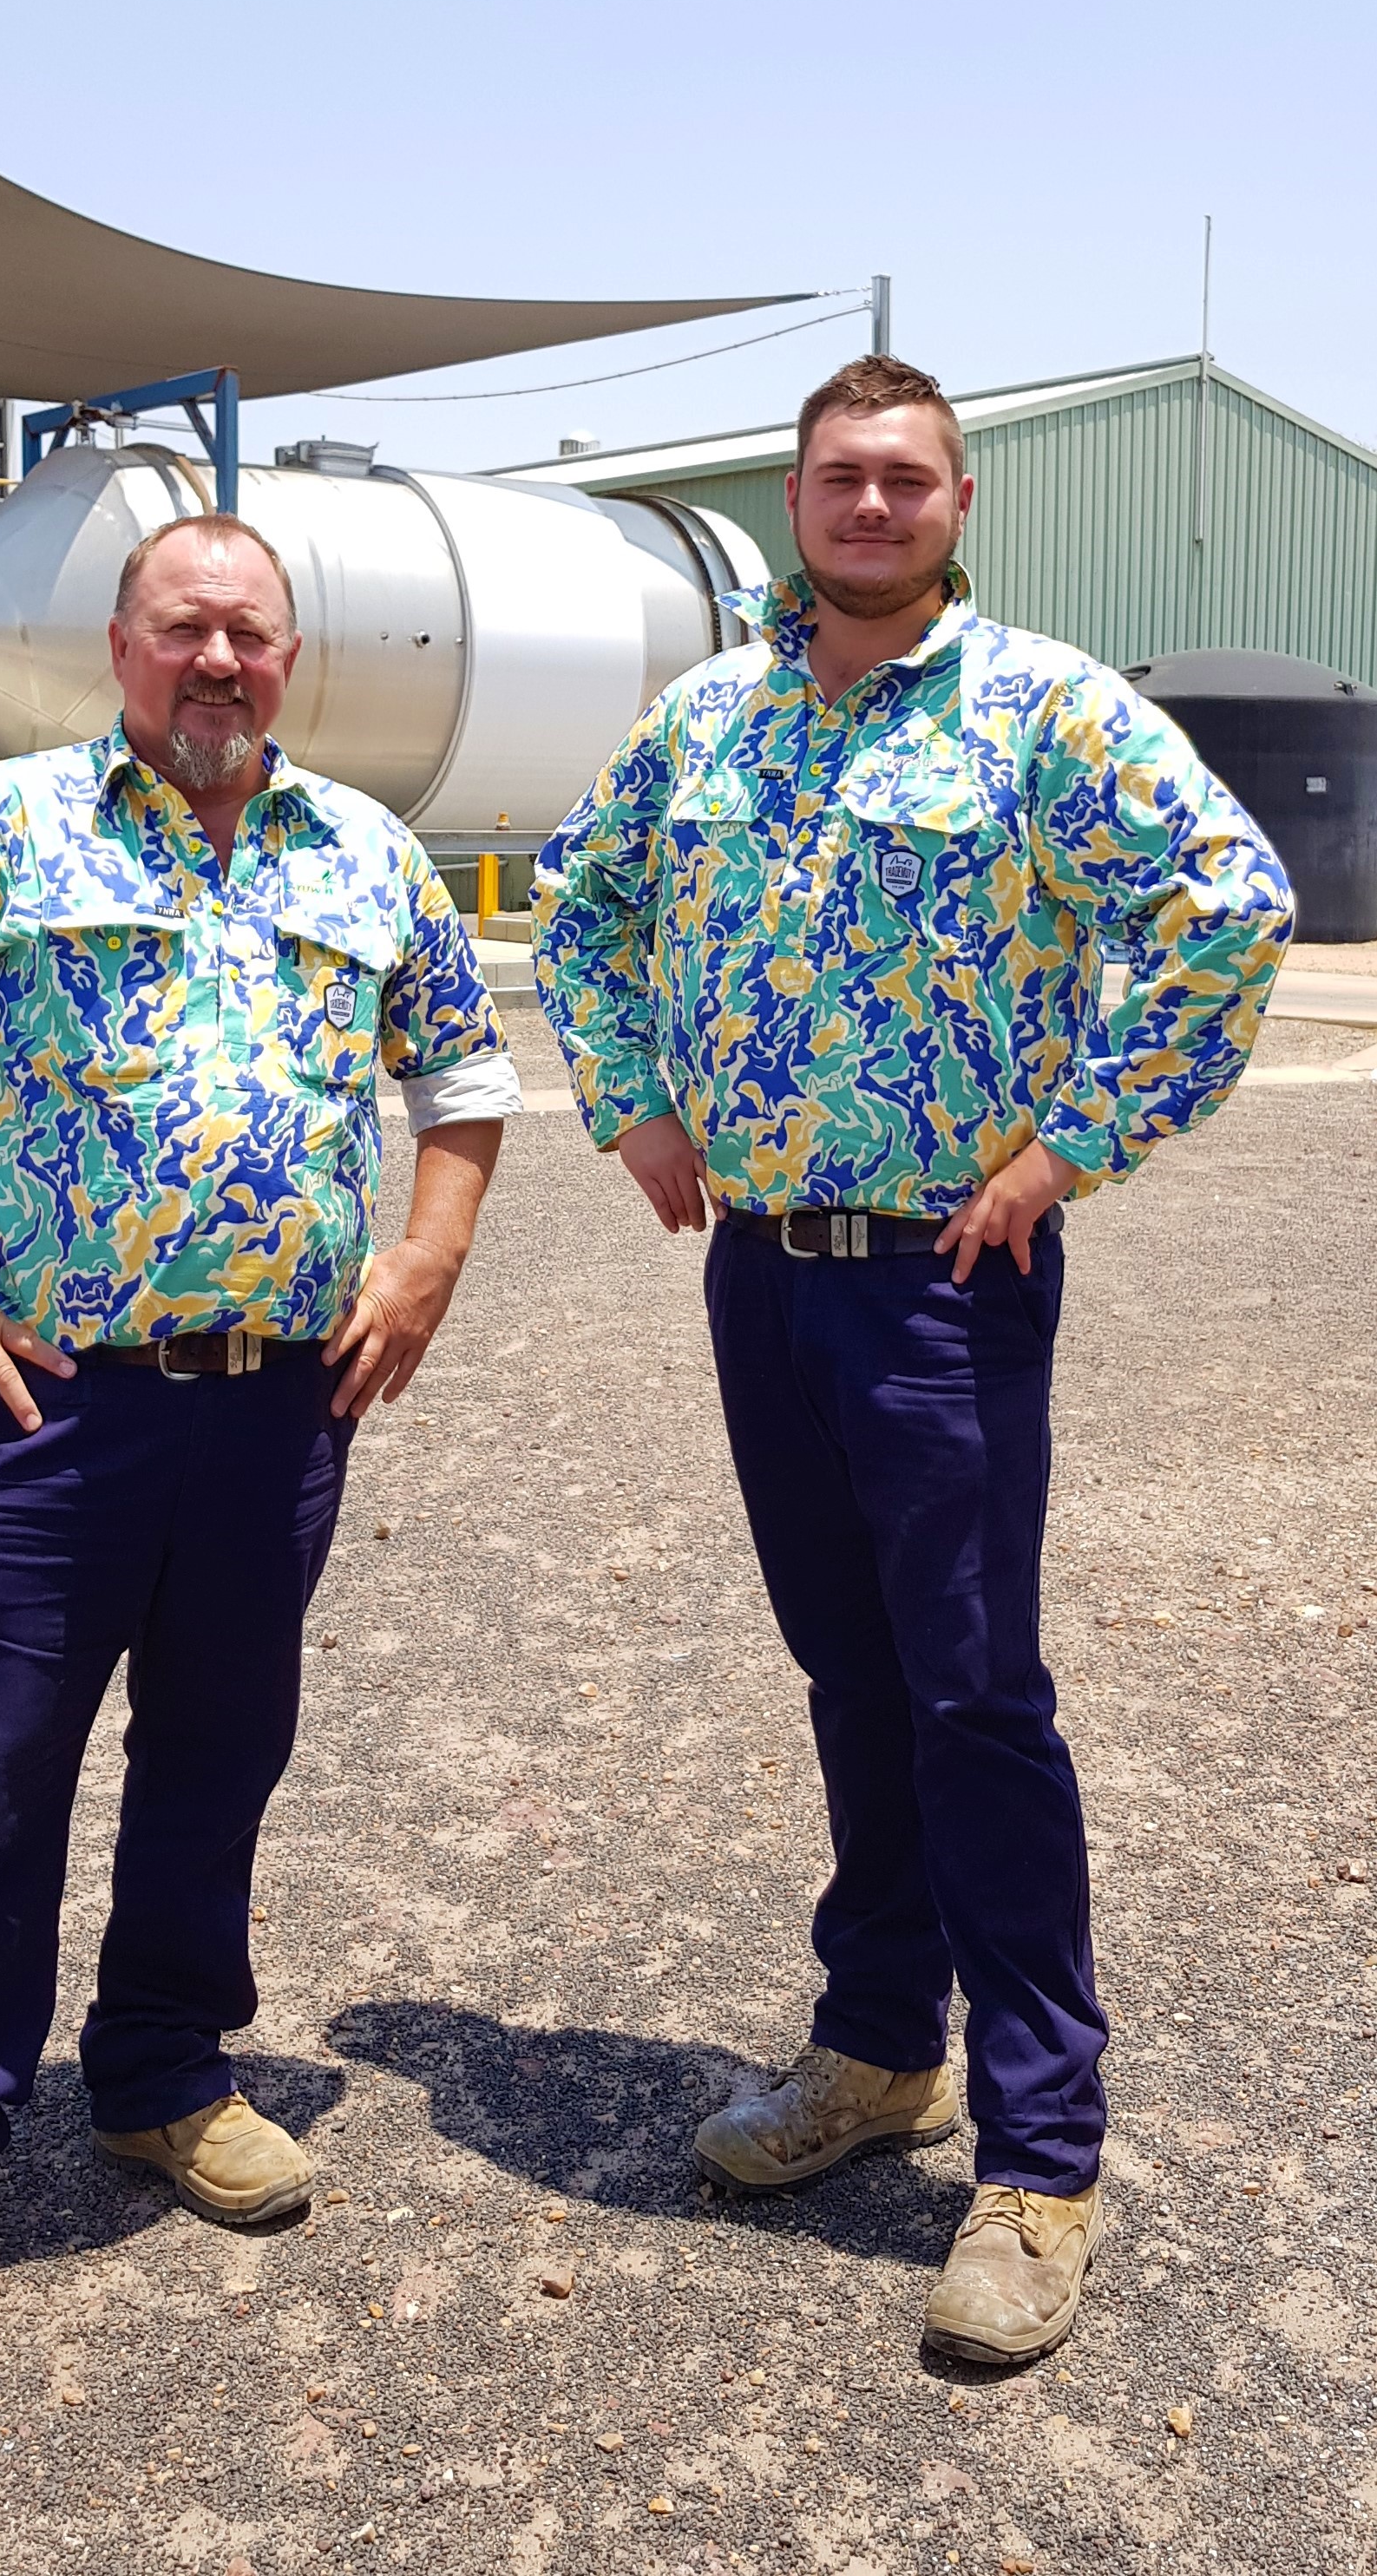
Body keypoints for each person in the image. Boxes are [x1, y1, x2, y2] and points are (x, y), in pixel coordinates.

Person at [532, 355, 1291, 2365]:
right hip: (762, 1275)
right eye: (836, 477)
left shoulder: (1042, 712)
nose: (866, 505)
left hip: (944, 1280)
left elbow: (1227, 910)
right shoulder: (705, 719)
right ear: (793, 503)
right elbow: (582, 908)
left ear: (958, 505)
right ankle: (879, 2050)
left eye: (903, 479)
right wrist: (631, 1097)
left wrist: (1071, 1146)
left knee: (970, 1695)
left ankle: (1040, 2155)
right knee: (849, 1672)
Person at [0, 510, 521, 2350]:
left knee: (218, 1753)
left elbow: (466, 1071)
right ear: (118, 646)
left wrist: (425, 1259)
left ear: (289, 657)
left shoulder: (364, 852)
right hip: (46, 1406)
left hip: (277, 1408)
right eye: (182, 627)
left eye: (248, 633)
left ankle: (164, 2070)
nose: (218, 660)